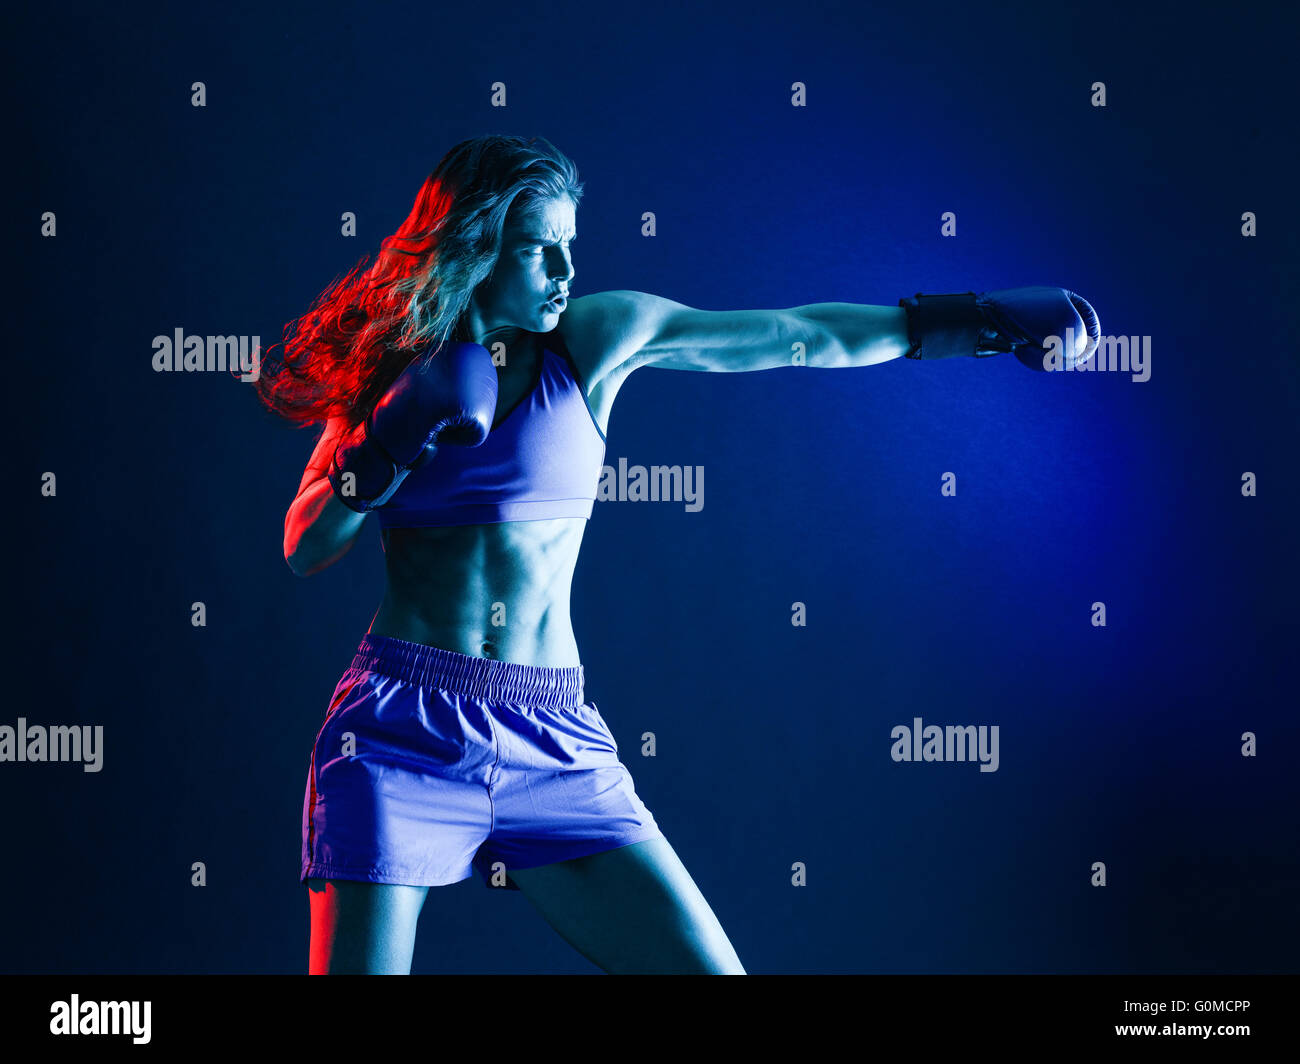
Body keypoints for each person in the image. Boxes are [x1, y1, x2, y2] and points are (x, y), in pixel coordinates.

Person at [256, 134, 1099, 975]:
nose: (564, 269)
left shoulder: (595, 340)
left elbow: (797, 334)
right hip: (399, 731)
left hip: (552, 736)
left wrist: (974, 322)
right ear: (476, 246)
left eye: (569, 246)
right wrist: (385, 446)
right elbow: (305, 544)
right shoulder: (392, 365)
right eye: (537, 248)